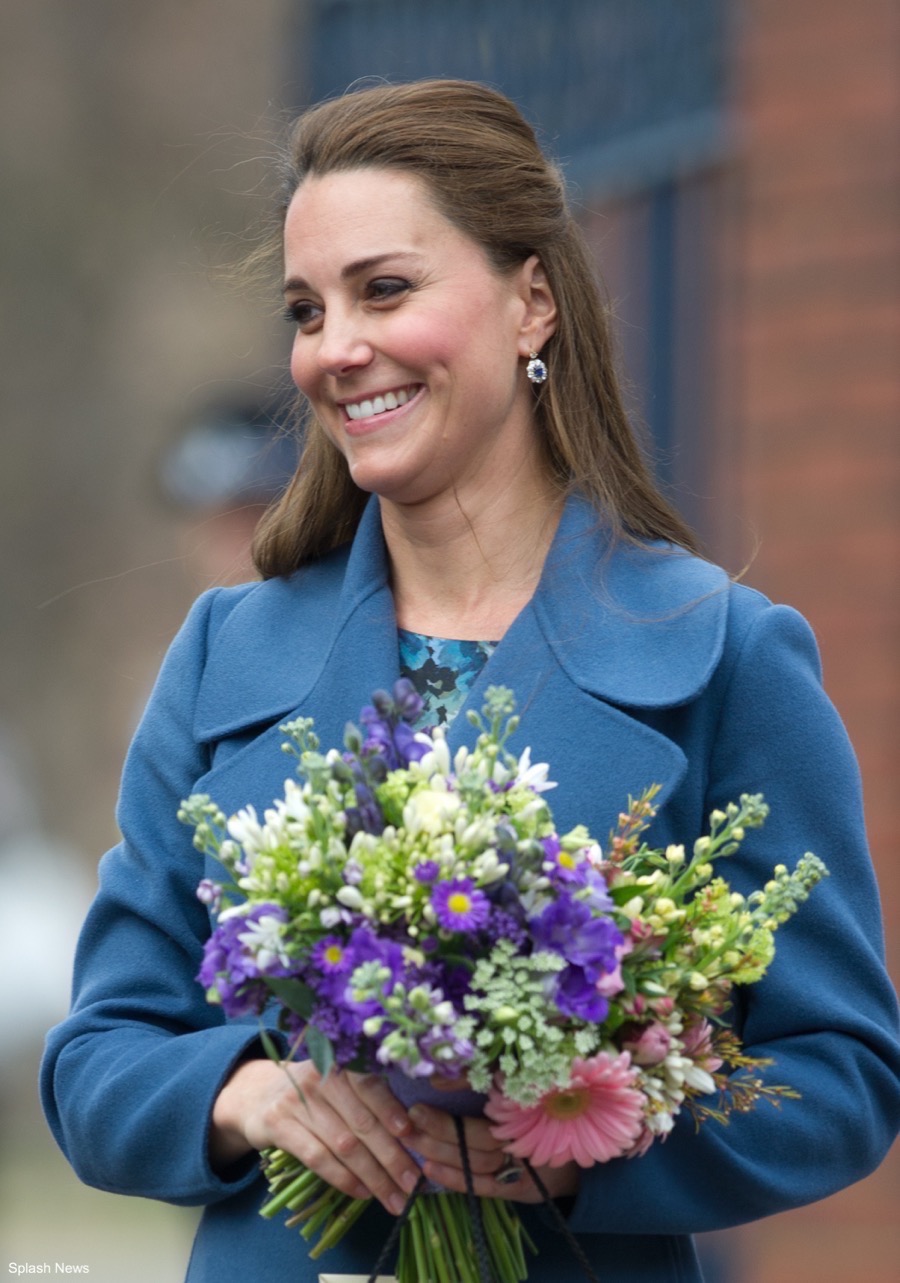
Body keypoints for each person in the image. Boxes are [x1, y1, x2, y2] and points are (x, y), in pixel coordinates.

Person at [41, 79, 900, 1283]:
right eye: (306, 308)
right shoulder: (225, 653)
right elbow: (98, 1059)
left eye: (384, 289)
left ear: (531, 302)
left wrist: (587, 1139)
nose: (336, 348)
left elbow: (843, 1074)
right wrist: (251, 1093)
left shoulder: (726, 652)